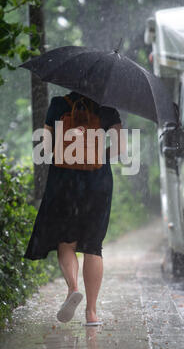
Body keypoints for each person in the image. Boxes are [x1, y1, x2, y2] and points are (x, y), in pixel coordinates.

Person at [24, 90, 125, 326]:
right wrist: (98, 155)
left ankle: (73, 288)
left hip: (64, 181)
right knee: (93, 247)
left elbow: (46, 146)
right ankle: (91, 313)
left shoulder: (58, 104)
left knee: (66, 241)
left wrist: (69, 150)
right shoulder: (107, 108)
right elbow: (120, 148)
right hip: (97, 182)